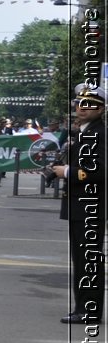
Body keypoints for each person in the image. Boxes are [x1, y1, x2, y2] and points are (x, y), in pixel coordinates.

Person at [55, 85, 104, 324]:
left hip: (89, 206)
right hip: (80, 206)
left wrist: (67, 171)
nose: (82, 108)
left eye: (90, 104)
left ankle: (89, 310)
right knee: (82, 259)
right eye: (79, 104)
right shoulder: (85, 132)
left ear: (102, 109)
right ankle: (83, 307)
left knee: (88, 260)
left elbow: (101, 171)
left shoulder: (98, 134)